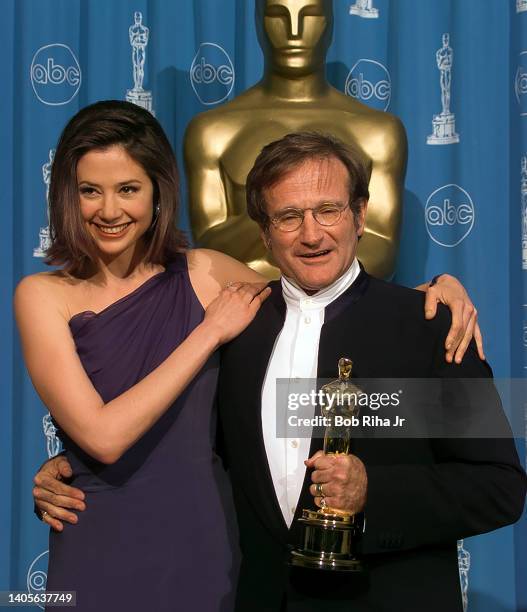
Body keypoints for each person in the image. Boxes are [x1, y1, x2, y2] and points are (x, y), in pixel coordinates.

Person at [34, 132, 526, 611]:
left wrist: (372, 492)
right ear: (265, 233)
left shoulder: (428, 326)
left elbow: (500, 486)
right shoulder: (236, 329)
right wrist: (68, 467)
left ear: (359, 215)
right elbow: (187, 444)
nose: (311, 234)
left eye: (328, 211)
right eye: (288, 217)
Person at [15, 99, 271, 611]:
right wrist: (207, 333)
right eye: (90, 191)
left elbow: (327, 318)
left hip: (200, 547)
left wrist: (434, 293)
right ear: (68, 195)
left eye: (128, 189)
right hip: (95, 546)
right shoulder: (42, 295)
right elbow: (104, 438)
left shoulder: (206, 272)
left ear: (158, 192)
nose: (109, 211)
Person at [185, 0, 407, 280]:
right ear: (257, 22)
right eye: (278, 15)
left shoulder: (378, 131)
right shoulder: (212, 131)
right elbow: (210, 247)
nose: (294, 31)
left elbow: (381, 248)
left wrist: (276, 235)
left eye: (310, 15)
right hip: (247, 311)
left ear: (331, 23)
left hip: (347, 314)